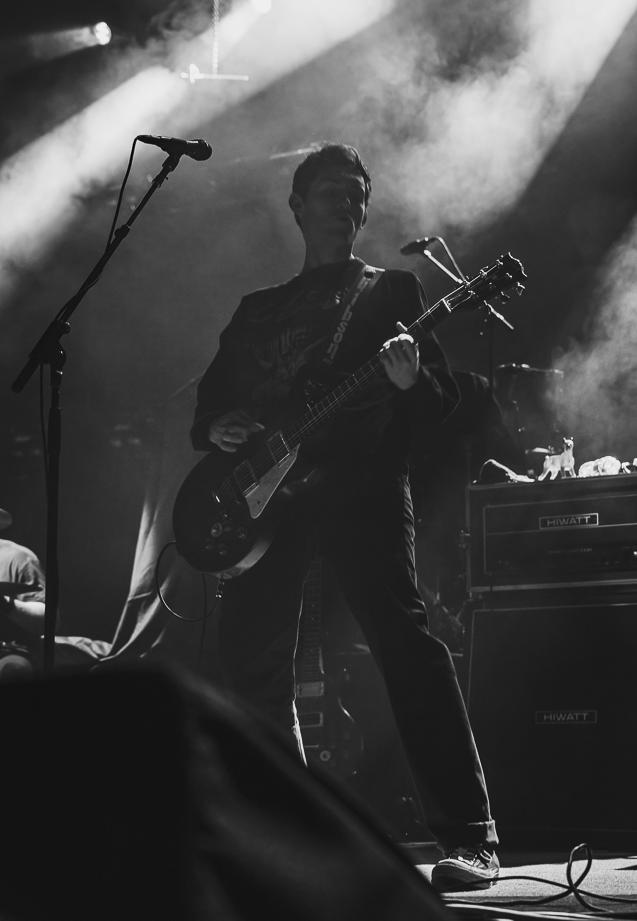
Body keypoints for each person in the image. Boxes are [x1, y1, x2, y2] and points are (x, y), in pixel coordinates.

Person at [190, 143, 499, 890]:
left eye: (357, 194)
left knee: (406, 645)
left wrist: (408, 381)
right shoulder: (258, 308)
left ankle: (471, 836)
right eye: (332, 191)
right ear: (297, 206)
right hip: (270, 498)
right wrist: (216, 427)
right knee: (248, 655)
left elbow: (436, 403)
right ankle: (288, 834)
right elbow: (213, 398)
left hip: (362, 485)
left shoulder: (390, 289)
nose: (347, 204)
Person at [0, 508, 45, 677]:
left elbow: (49, 621)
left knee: (14, 669)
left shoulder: (19, 558)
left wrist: (6, 605)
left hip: (10, 651)